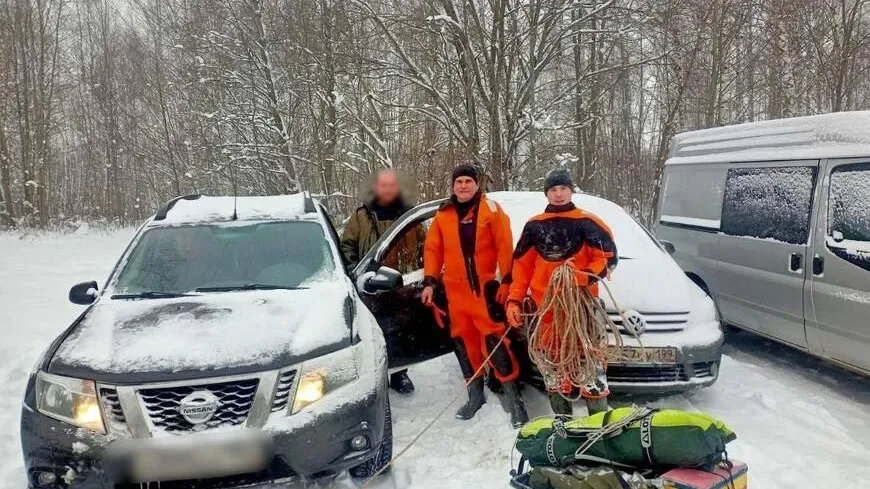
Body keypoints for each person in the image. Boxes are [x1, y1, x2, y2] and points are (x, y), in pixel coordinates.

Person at [420, 164, 529, 427]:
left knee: (495, 343)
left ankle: (516, 403)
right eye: (459, 181)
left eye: (468, 181)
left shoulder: (491, 210)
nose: (464, 186)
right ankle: (475, 396)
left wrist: (507, 281)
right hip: (455, 293)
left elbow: (505, 245)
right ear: (453, 186)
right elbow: (433, 249)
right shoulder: (443, 214)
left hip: (484, 289)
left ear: (477, 184)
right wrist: (430, 282)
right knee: (464, 344)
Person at [506, 168, 618, 416]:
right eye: (553, 190)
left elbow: (607, 258)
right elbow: (521, 268)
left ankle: (598, 421)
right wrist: (514, 301)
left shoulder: (589, 222)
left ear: (571, 190)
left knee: (590, 362)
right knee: (552, 367)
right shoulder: (534, 226)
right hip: (545, 309)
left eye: (563, 189)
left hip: (581, 308)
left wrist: (582, 276)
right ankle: (563, 422)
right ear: (546, 194)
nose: (558, 194)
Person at [342, 169, 422, 394]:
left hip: (403, 282)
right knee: (377, 331)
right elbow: (347, 245)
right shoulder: (361, 216)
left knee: (402, 330)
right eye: (383, 185)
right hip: (373, 284)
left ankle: (400, 374)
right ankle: (377, 375)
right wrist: (355, 272)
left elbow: (426, 244)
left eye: (391, 185)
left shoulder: (409, 213)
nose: (387, 190)